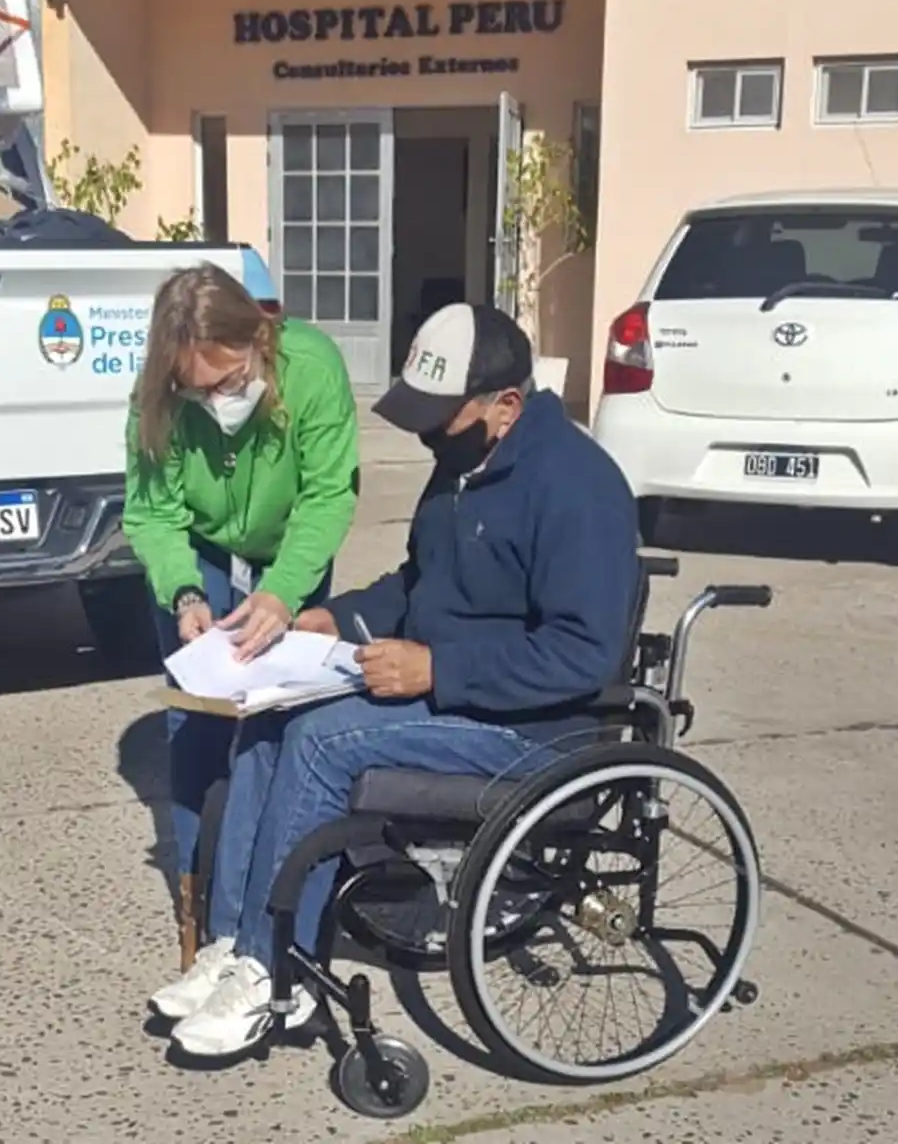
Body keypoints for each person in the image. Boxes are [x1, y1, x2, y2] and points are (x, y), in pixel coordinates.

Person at [150, 302, 641, 1057]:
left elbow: (584, 654)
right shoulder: (464, 467)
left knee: (319, 740)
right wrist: (335, 618)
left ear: (506, 406)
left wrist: (438, 667)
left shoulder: (579, 488)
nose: (426, 434)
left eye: (440, 417)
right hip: (458, 701)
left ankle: (278, 972)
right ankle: (236, 944)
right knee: (269, 712)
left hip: (537, 729)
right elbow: (419, 583)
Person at [122, 263, 360, 975]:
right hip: (201, 545)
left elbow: (326, 496)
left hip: (290, 540)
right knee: (195, 723)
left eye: (226, 382)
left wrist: (284, 592)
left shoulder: (312, 367)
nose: (215, 399)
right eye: (195, 389)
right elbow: (153, 513)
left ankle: (273, 900)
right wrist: (186, 596)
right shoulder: (156, 400)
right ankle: (199, 910)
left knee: (281, 715)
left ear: (256, 340)